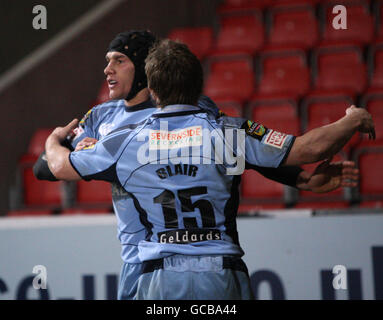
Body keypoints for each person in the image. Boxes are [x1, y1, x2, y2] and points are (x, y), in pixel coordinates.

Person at [44, 39, 375, 299]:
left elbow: (57, 166)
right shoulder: (230, 131)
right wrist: (353, 120)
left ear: (154, 91)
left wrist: (55, 140)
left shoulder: (124, 142)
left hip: (158, 276)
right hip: (220, 274)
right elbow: (309, 149)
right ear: (198, 87)